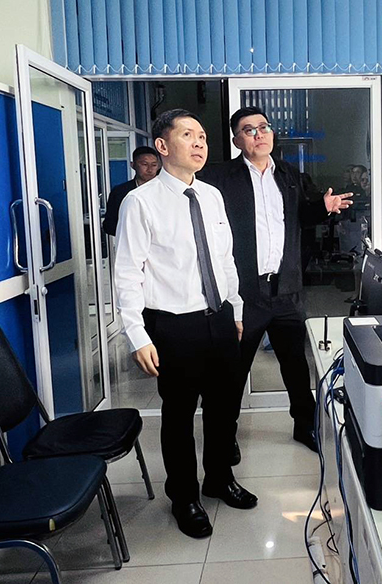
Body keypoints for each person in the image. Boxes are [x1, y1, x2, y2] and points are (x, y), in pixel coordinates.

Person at [113, 109, 257, 539]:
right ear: (162, 145)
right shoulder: (140, 202)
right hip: (173, 326)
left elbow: (225, 259)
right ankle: (184, 496)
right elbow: (127, 273)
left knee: (224, 408)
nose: (199, 143)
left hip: (220, 318)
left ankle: (219, 478)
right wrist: (137, 335)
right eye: (188, 135)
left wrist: (236, 309)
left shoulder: (211, 195)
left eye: (203, 137)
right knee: (178, 417)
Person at [199, 106, 353, 458]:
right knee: (233, 370)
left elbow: (303, 217)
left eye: (264, 127)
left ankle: (304, 425)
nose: (259, 134)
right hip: (244, 294)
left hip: (286, 290)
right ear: (237, 140)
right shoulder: (220, 178)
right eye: (249, 129)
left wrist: (324, 207)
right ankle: (225, 434)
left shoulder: (289, 175)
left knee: (296, 366)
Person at [102, 145, 160, 236]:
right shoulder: (120, 192)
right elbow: (109, 225)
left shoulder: (165, 190)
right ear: (133, 165)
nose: (150, 169)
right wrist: (132, 231)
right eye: (144, 164)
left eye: (154, 165)